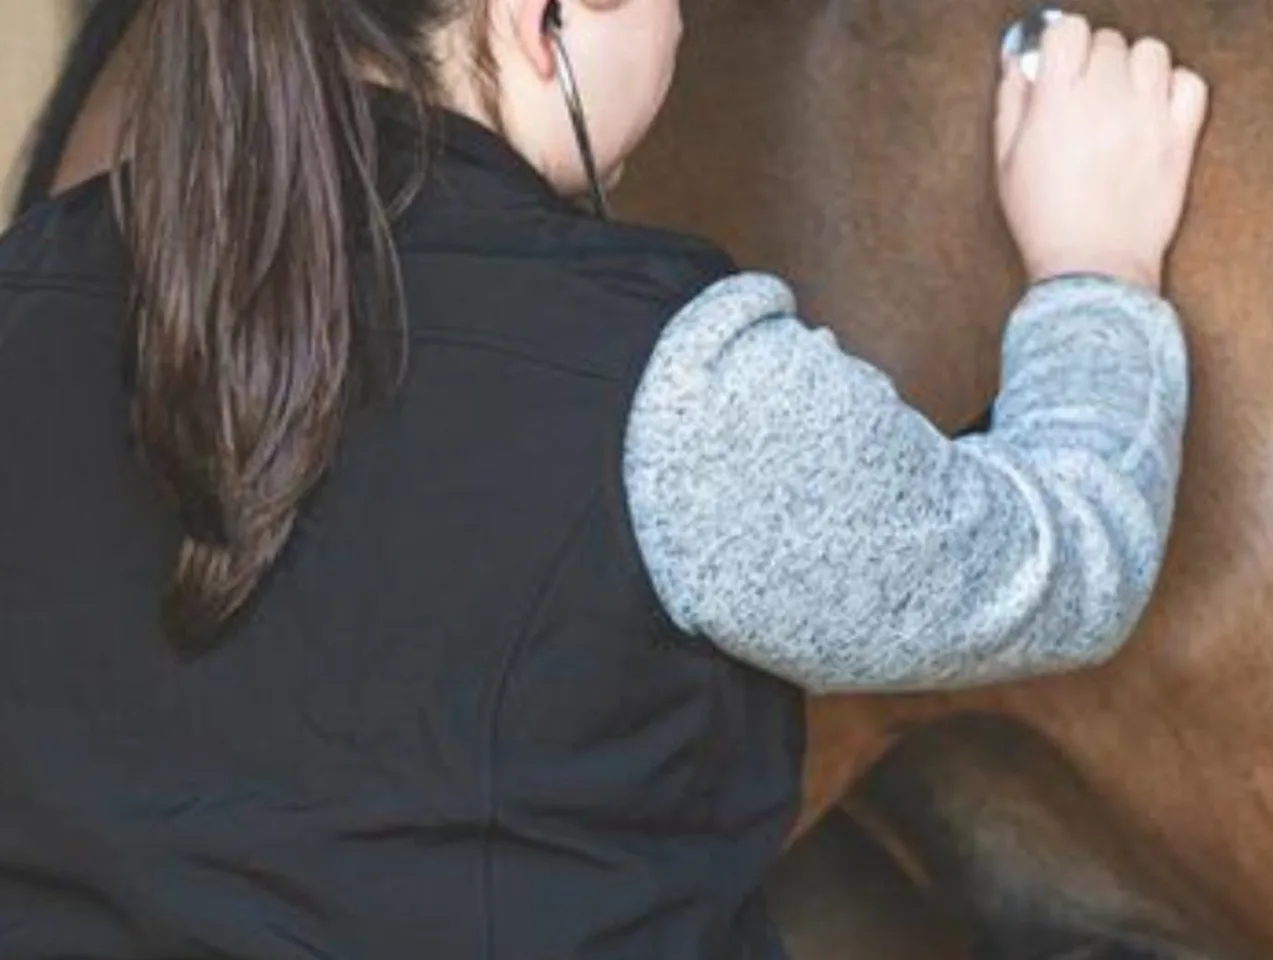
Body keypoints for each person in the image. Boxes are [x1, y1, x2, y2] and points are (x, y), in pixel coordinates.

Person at [0, 1, 1209, 956]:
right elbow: (1063, 560)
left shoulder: (23, 296)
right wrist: (1092, 264)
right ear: (544, 21)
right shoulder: (679, 385)